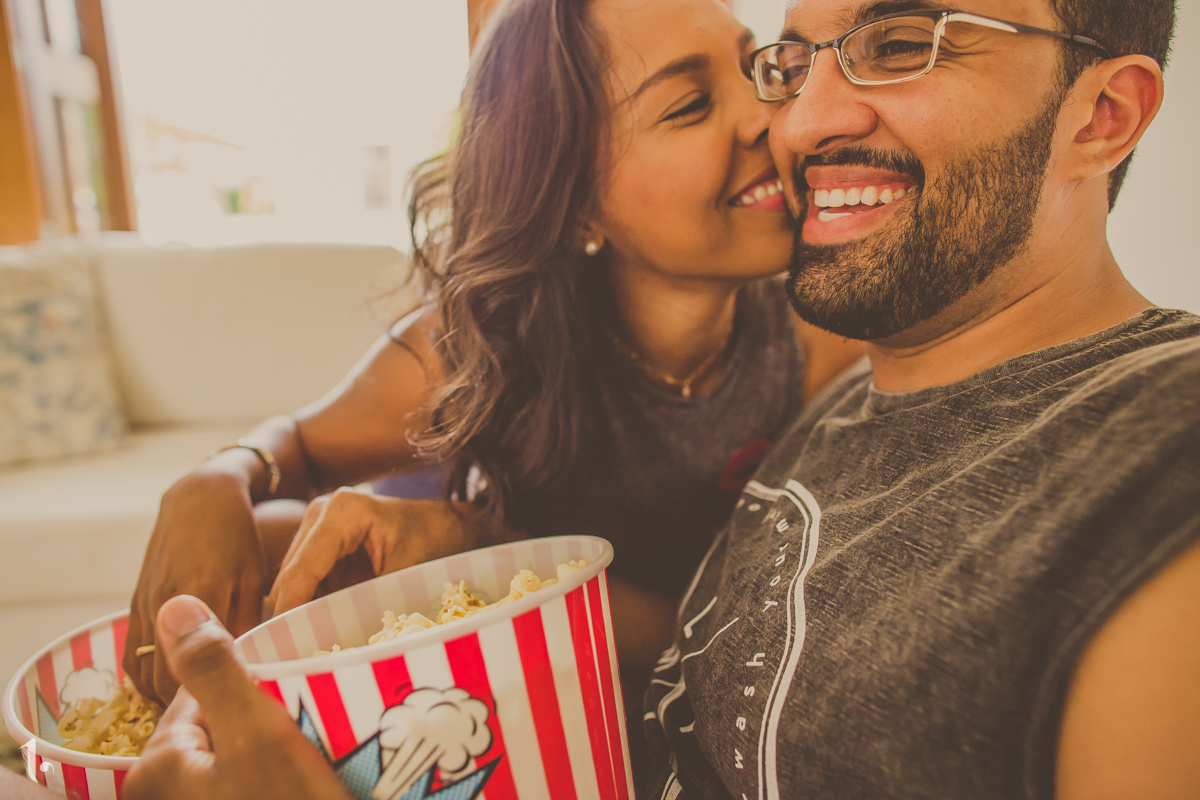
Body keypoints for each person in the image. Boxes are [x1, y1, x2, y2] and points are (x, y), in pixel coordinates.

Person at [71, 0, 1199, 797]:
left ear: (1104, 114)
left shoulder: (857, 353)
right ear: (579, 209)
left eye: (903, 42)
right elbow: (723, 624)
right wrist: (235, 478)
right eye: (792, 62)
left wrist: (488, 558)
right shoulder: (505, 343)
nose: (791, 122)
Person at [122, 0, 863, 708]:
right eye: (689, 105)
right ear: (575, 199)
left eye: (756, 67)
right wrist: (217, 477)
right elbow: (297, 451)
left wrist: (482, 550)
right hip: (511, 687)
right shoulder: (486, 341)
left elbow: (734, 638)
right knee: (269, 535)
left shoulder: (824, 342)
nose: (770, 117)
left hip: (677, 680)